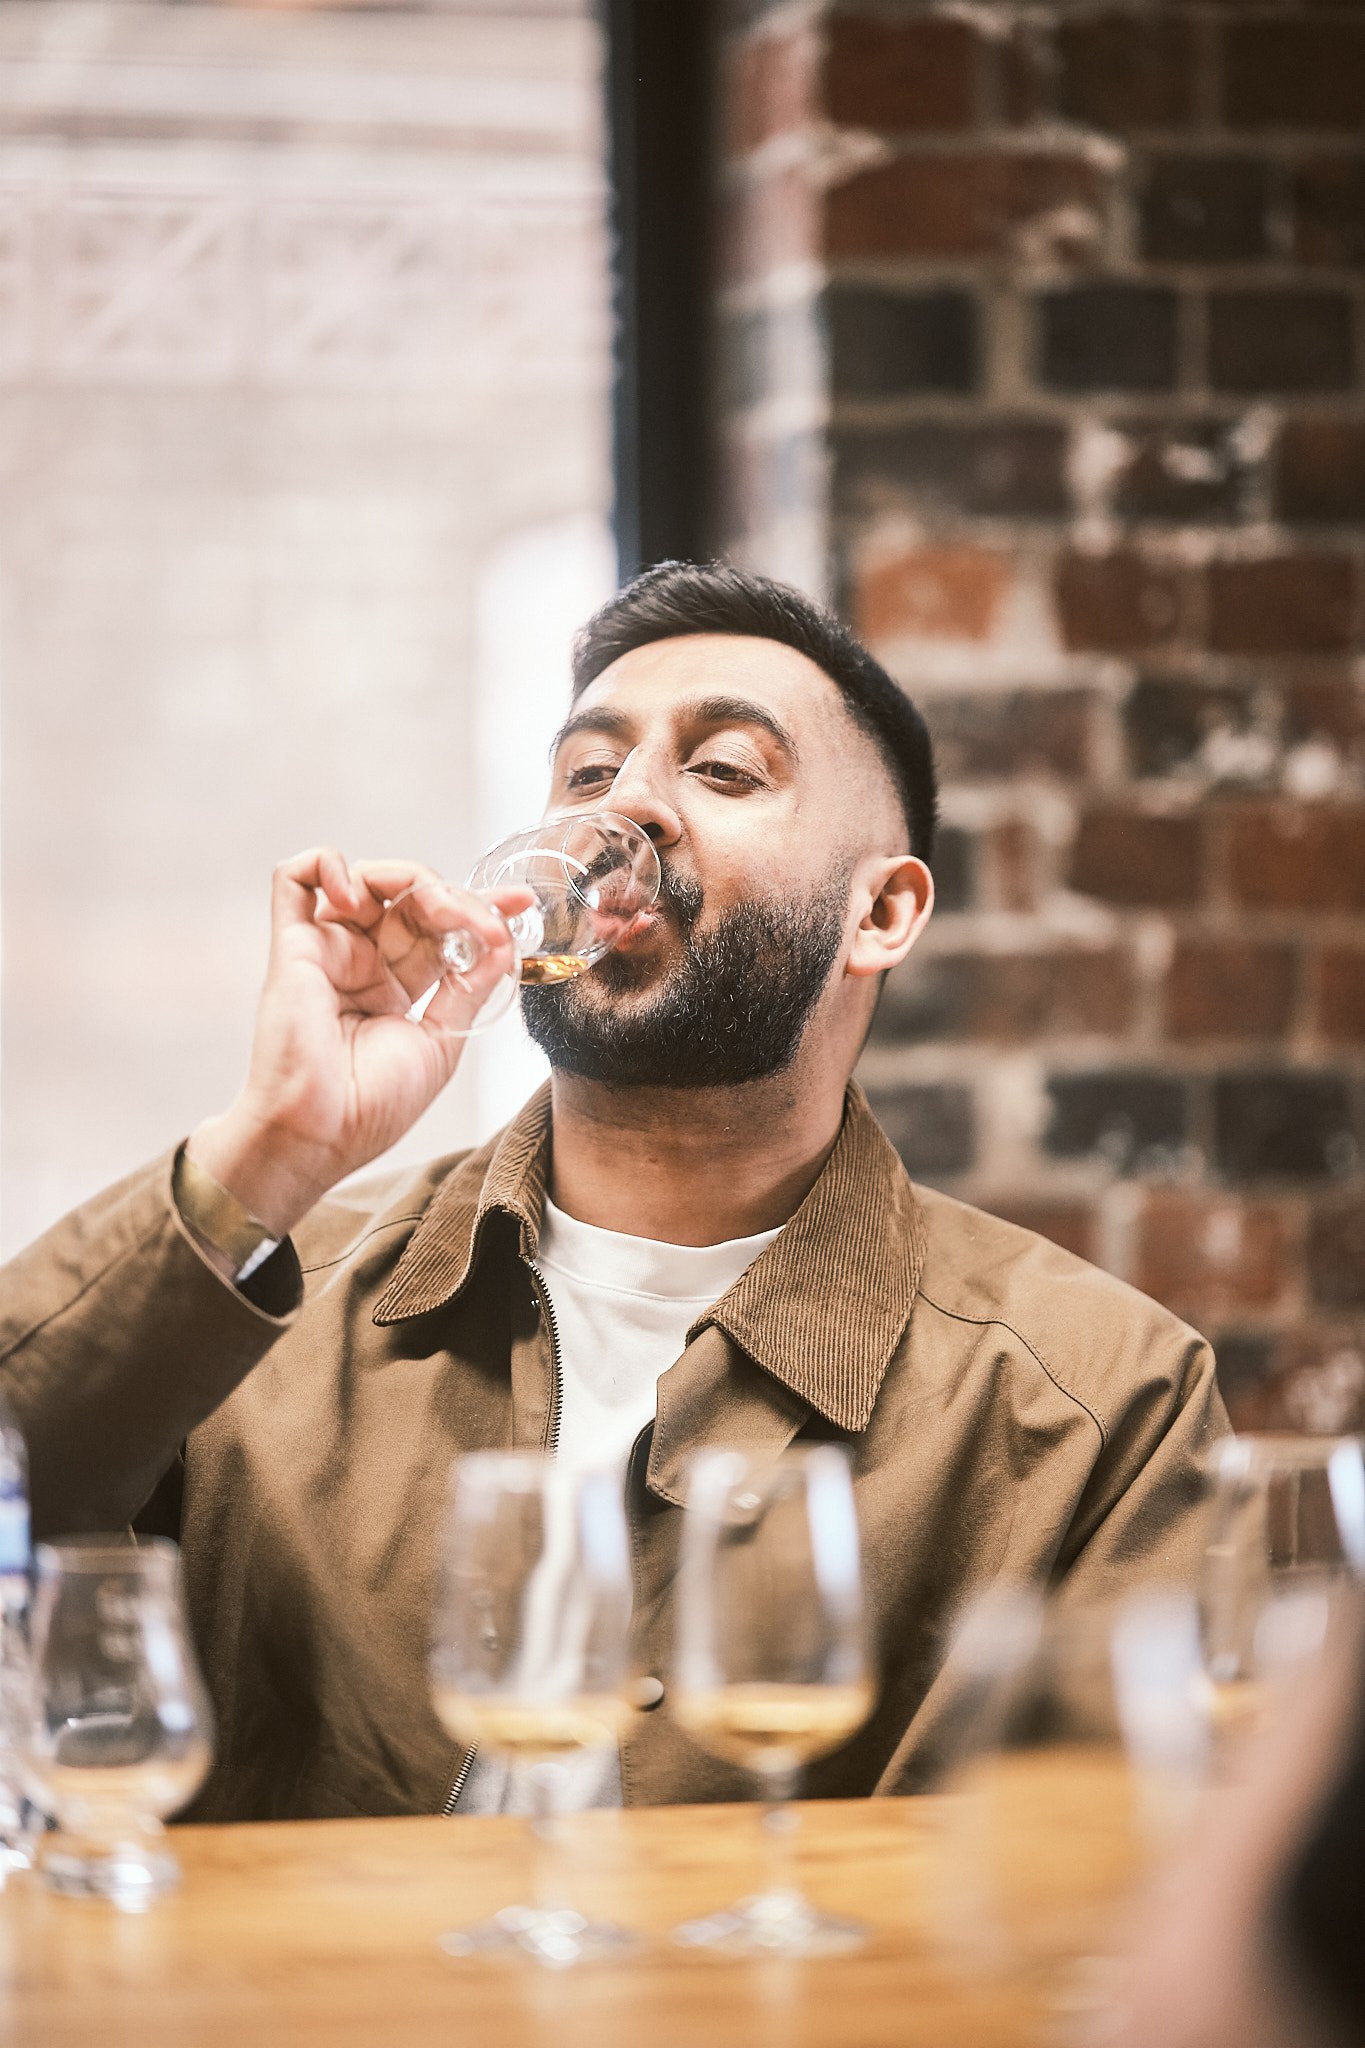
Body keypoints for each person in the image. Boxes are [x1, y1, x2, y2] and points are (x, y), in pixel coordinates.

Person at [0, 561, 1226, 1822]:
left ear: (882, 912)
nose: (626, 807)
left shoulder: (1099, 1402)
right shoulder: (255, 1304)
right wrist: (274, 1148)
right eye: (588, 773)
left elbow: (1115, 1906)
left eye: (726, 769)